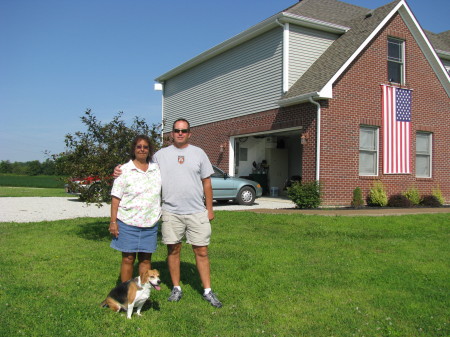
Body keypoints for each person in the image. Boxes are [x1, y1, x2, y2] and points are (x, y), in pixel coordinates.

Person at [114, 118, 222, 308]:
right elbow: (141, 164)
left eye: (184, 130)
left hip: (197, 211)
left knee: (201, 250)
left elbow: (207, 182)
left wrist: (209, 209)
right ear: (172, 133)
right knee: (173, 250)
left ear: (190, 133)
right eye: (177, 130)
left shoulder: (199, 153)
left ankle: (207, 290)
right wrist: (119, 170)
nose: (180, 133)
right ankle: (176, 288)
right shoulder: (160, 156)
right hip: (171, 212)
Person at [109, 135, 161, 282]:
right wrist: (113, 222)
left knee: (145, 260)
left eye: (145, 147)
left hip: (150, 224)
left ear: (149, 150)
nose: (142, 149)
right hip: (127, 223)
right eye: (139, 147)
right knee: (128, 259)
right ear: (134, 149)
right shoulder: (124, 170)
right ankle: (125, 295)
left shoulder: (157, 169)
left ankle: (142, 295)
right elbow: (115, 199)